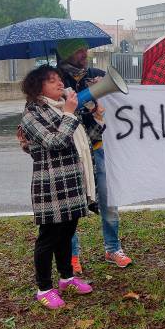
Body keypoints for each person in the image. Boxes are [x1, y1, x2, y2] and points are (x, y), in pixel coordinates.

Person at [20, 65, 97, 309]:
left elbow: (85, 138)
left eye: (59, 79)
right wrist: (70, 113)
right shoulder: (32, 114)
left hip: (72, 180)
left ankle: (67, 277)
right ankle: (44, 288)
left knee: (67, 232)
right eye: (52, 81)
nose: (59, 84)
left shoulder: (61, 107)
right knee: (48, 237)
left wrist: (96, 115)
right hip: (52, 185)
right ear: (37, 86)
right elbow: (56, 141)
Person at [56, 39, 132, 272]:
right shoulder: (56, 80)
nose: (84, 54)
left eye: (85, 49)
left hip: (99, 146)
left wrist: (104, 90)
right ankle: (72, 255)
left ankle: (112, 247)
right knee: (71, 205)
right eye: (78, 50)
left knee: (109, 200)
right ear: (66, 53)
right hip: (72, 150)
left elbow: (125, 98)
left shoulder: (96, 74)